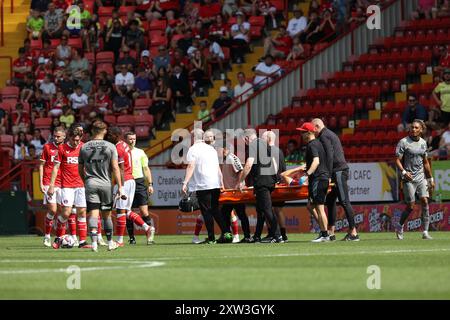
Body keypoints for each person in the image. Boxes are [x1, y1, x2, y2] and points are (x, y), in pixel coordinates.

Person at [78, 120, 124, 252]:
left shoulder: (84, 147)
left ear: (92, 131)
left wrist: (85, 180)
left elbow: (80, 168)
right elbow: (116, 168)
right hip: (106, 184)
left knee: (93, 214)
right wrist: (120, 186)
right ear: (104, 131)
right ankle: (110, 242)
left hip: (91, 183)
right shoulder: (110, 146)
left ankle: (93, 243)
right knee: (106, 215)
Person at [282, 122, 331, 242]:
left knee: (319, 208)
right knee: (310, 206)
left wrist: (307, 174)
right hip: (321, 177)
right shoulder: (318, 143)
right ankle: (325, 232)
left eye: (302, 132)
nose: (301, 134)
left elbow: (316, 162)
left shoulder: (312, 145)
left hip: (318, 179)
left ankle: (325, 235)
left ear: (308, 133)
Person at [107, 127, 154, 247]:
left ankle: (120, 240)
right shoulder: (124, 145)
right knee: (126, 211)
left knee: (121, 211)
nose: (108, 137)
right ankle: (147, 227)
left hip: (125, 181)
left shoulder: (118, 148)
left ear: (116, 135)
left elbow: (121, 169)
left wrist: (120, 186)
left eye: (110, 135)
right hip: (130, 180)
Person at [182, 128, 230, 244]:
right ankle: (227, 233)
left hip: (203, 185)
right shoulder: (211, 149)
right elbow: (217, 167)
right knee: (215, 209)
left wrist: (185, 182)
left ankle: (211, 238)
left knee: (206, 211)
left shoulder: (193, 149)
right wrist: (221, 182)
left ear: (193, 137)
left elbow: (191, 166)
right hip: (215, 184)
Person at [237, 128, 283, 243]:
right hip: (269, 180)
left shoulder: (253, 145)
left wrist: (241, 181)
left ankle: (278, 236)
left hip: (262, 182)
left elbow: (248, 165)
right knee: (261, 210)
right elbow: (274, 160)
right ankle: (257, 236)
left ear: (246, 138)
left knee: (267, 210)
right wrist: (275, 176)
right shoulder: (264, 143)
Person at [48, 126, 88, 249]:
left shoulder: (84, 147)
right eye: (74, 140)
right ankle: (59, 238)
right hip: (67, 186)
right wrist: (52, 185)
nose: (76, 142)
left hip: (81, 185)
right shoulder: (62, 148)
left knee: (82, 212)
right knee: (66, 213)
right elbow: (55, 167)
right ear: (69, 138)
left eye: (78, 140)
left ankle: (82, 242)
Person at [395, 119, 435, 240]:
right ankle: (399, 226)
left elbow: (426, 162)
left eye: (416, 128)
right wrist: (403, 172)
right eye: (412, 127)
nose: (413, 129)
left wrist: (430, 179)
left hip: (421, 177)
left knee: (425, 201)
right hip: (409, 178)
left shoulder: (423, 143)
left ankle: (425, 231)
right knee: (411, 206)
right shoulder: (403, 142)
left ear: (421, 130)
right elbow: (397, 160)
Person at [125, 132, 156, 245]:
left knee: (144, 211)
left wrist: (150, 184)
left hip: (139, 182)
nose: (132, 141)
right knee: (128, 211)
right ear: (126, 140)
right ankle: (132, 238)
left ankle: (149, 237)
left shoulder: (140, 152)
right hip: (127, 182)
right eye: (130, 139)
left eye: (134, 138)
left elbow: (146, 169)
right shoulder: (122, 152)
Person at [39, 127, 65, 247]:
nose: (56, 138)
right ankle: (47, 236)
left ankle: (60, 238)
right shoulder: (47, 147)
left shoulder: (67, 148)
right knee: (53, 210)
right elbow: (41, 165)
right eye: (55, 136)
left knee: (63, 212)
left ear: (64, 136)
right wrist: (40, 183)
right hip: (49, 182)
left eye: (58, 136)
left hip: (64, 183)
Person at [262, 130, 288, 242]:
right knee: (278, 210)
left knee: (269, 209)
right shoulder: (280, 151)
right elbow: (283, 168)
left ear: (268, 139)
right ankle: (283, 234)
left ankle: (272, 233)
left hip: (271, 183)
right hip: (279, 182)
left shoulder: (267, 151)